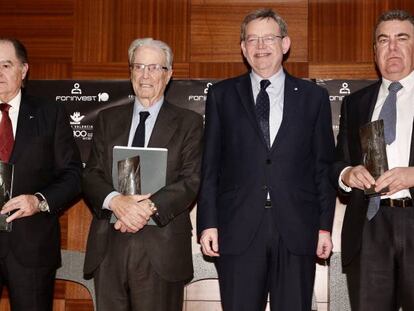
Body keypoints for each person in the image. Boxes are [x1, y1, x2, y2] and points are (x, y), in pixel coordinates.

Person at [197, 8, 336, 311]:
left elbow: (323, 167)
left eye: (268, 38)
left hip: (297, 229)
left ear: (285, 44)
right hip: (238, 228)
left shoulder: (314, 97)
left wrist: (324, 227)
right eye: (252, 40)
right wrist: (208, 223)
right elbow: (210, 166)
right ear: (243, 48)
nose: (261, 46)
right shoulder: (222, 95)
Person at [83, 38, 203, 311]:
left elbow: (191, 179)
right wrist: (116, 202)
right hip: (109, 245)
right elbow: (91, 174)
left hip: (161, 249)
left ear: (168, 74)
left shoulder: (189, 123)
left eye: (154, 67)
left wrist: (143, 209)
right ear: (131, 72)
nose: (145, 75)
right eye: (139, 66)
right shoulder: (106, 119)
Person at [332, 9, 414, 311]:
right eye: (383, 40)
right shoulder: (356, 103)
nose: (392, 47)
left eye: (401, 38)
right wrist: (347, 174)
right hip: (369, 226)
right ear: (374, 51)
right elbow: (337, 160)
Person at [0, 38, 82, 310]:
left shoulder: (50, 113)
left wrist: (38, 200)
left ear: (23, 70)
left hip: (31, 249)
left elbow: (72, 176)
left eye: (6, 65)